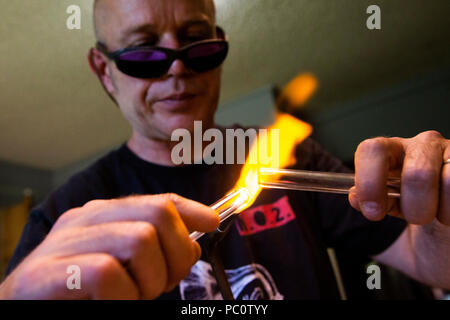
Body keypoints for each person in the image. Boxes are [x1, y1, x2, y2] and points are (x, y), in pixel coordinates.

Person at [1, 0, 450, 300]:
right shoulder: (62, 212)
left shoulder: (297, 159)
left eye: (197, 41)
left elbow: (433, 266)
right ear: (104, 70)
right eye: (143, 52)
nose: (177, 68)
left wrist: (437, 211)